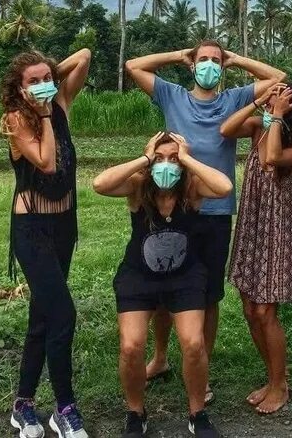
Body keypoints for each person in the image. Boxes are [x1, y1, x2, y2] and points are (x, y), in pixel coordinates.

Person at [125, 41, 285, 402]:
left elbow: (278, 78)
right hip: (172, 206)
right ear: (193, 65)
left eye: (216, 61)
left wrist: (236, 60)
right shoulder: (172, 95)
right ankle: (162, 358)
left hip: (214, 210)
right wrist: (175, 55)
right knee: (161, 284)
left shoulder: (234, 99)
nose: (209, 66)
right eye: (203, 60)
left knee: (208, 294)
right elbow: (134, 65)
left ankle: (202, 368)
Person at [93, 131, 233, 438]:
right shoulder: (138, 186)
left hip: (185, 275)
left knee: (193, 344)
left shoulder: (191, 188)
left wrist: (186, 159)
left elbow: (225, 187)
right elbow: (99, 184)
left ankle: (198, 413)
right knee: (131, 346)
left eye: (173, 158)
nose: (166, 165)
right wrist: (144, 159)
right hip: (138, 276)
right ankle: (135, 412)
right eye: (160, 158)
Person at [0, 48, 92, 438]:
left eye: (46, 79)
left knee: (42, 317)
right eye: (32, 82)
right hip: (32, 227)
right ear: (18, 91)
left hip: (63, 227)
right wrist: (41, 113)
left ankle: (22, 406)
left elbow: (85, 57)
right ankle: (65, 408)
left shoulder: (61, 101)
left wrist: (49, 76)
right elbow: (47, 163)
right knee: (62, 315)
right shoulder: (16, 119)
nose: (41, 86)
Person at [221, 82, 292, 415]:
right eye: (271, 101)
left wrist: (273, 116)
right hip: (252, 224)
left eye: (279, 100)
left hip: (277, 231)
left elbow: (273, 157)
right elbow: (226, 128)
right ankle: (273, 377)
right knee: (249, 311)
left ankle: (280, 384)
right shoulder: (259, 127)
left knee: (265, 313)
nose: (271, 106)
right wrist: (259, 103)